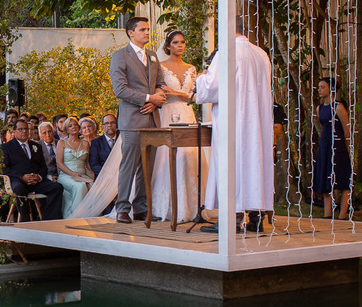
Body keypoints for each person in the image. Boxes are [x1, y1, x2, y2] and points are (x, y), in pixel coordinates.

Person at [195, 13, 275, 233]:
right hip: (256, 121)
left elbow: (211, 88)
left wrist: (201, 77)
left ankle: (231, 220)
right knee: (253, 163)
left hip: (233, 121)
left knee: (231, 164)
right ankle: (256, 218)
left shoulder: (227, 53)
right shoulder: (261, 54)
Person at [109, 16, 166, 223]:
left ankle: (141, 208)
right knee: (129, 165)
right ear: (130, 32)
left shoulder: (152, 56)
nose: (147, 32)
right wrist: (149, 98)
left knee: (147, 166)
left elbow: (161, 84)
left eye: (148, 29)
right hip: (132, 120)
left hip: (152, 119)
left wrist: (156, 101)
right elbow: (120, 89)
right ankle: (122, 208)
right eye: (142, 30)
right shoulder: (120, 56)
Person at [148, 30, 209, 223]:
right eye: (175, 42)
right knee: (168, 158)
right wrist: (170, 94)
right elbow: (160, 91)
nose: (180, 46)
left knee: (190, 157)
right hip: (168, 114)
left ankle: (194, 207)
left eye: (182, 42)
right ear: (168, 46)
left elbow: (195, 96)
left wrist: (177, 92)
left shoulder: (191, 68)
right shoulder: (161, 67)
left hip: (188, 113)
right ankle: (168, 206)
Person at [0, 118, 64, 220]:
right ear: (14, 131)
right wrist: (21, 177)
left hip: (36, 182)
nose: (24, 131)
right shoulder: (6, 147)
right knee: (19, 188)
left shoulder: (36, 146)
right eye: (20, 129)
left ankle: (49, 219)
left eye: (26, 129)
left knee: (57, 187)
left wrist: (38, 177)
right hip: (18, 181)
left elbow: (43, 166)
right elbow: (4, 168)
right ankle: (25, 221)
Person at [312, 76, 352, 219]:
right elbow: (323, 126)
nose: (320, 90)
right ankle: (327, 215)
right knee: (325, 181)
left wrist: (348, 148)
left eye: (323, 87)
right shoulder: (319, 108)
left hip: (338, 146)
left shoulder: (338, 107)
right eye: (319, 87)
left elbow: (347, 129)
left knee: (342, 179)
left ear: (332, 89)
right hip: (324, 145)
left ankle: (342, 216)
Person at [55, 117, 92, 218]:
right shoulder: (62, 143)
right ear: (66, 129)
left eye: (75, 125)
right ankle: (76, 216)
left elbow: (87, 164)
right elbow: (59, 163)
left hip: (82, 174)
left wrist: (93, 177)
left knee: (94, 186)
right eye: (70, 126)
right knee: (80, 186)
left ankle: (92, 217)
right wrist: (73, 173)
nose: (73, 127)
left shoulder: (85, 143)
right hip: (66, 175)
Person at [89, 114, 118, 178]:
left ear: (117, 125)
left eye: (112, 122)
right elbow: (94, 164)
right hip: (103, 176)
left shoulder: (122, 140)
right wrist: (107, 174)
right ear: (102, 127)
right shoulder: (95, 143)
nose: (109, 125)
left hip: (122, 175)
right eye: (106, 123)